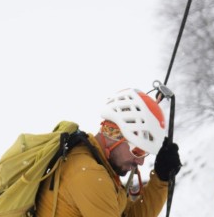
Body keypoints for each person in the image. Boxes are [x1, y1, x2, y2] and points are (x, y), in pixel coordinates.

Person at [36, 88, 182, 217]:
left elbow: (128, 215)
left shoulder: (98, 164)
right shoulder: (89, 175)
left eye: (144, 153)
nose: (141, 161)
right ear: (114, 135)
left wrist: (161, 179)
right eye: (137, 150)